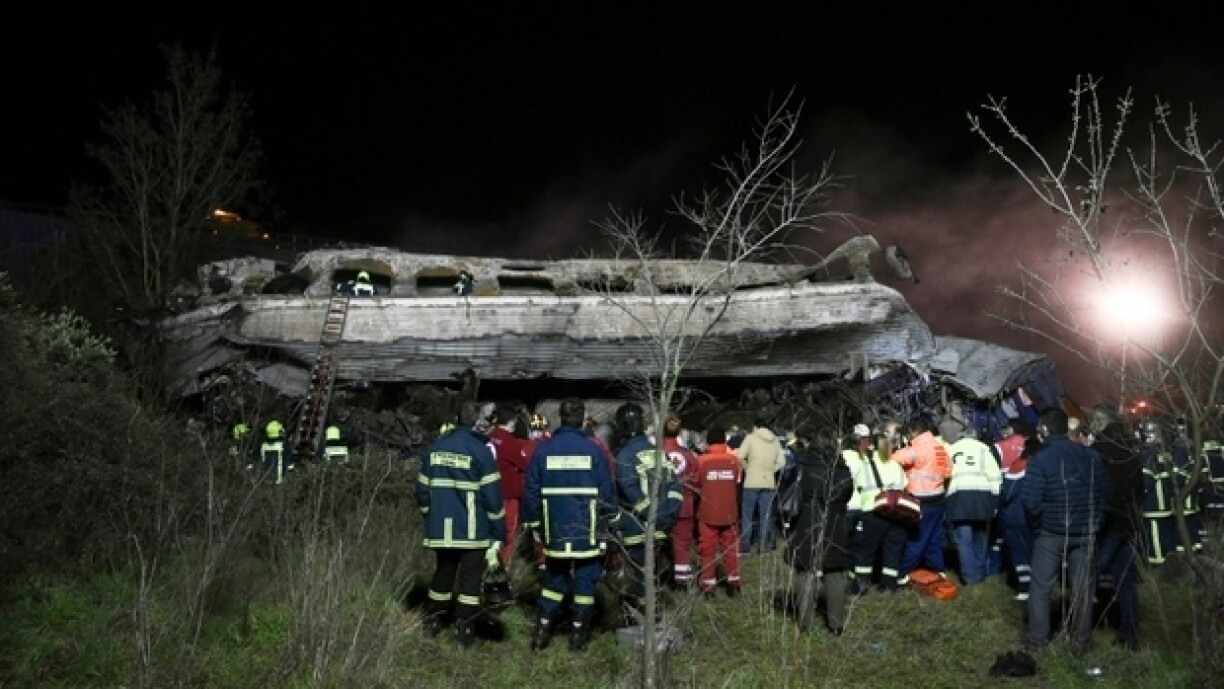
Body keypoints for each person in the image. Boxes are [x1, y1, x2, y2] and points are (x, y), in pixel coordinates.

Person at [522, 397, 618, 652]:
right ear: (582, 417)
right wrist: (611, 521)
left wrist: (534, 524)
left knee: (553, 582)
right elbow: (606, 492)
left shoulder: (544, 449)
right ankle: (578, 639)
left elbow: (531, 490)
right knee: (586, 585)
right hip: (586, 530)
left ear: (560, 418)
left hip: (555, 530)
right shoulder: (593, 450)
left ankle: (541, 634)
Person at [415, 400, 506, 647]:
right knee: (469, 583)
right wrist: (499, 533)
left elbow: (422, 491)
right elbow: (492, 499)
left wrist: (429, 515)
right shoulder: (481, 451)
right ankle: (464, 633)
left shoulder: (435, 448)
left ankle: (433, 622)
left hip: (441, 530)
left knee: (442, 575)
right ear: (477, 421)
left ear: (457, 418)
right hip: (472, 531)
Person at [1022, 407, 1111, 653]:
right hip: (1086, 532)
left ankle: (1037, 642)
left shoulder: (1041, 459)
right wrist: (1097, 521)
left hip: (1051, 532)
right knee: (1083, 588)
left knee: (1041, 588)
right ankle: (1080, 642)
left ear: (1045, 430)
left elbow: (1030, 500)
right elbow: (1105, 493)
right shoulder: (1091, 456)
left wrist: (1039, 525)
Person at [613, 402, 683, 623]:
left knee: (637, 576)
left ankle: (639, 617)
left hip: (636, 527)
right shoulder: (659, 453)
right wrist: (668, 516)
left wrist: (652, 517)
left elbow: (630, 492)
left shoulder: (624, 455)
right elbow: (675, 487)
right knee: (651, 573)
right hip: (660, 527)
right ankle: (652, 612)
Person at [787, 428, 854, 635]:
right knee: (834, 573)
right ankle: (836, 624)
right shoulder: (843, 469)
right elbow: (848, 494)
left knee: (805, 571)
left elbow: (795, 490)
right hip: (835, 522)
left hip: (808, 520)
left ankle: (805, 623)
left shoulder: (805, 467)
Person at [1089, 402, 1143, 650]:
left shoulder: (1099, 449)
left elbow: (1096, 486)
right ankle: (1130, 633)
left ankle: (1079, 631)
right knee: (1125, 579)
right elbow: (1140, 486)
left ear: (1100, 422)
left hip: (1108, 519)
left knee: (1090, 573)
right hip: (1128, 518)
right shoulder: (1130, 447)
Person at [851, 423, 910, 592]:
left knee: (866, 551)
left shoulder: (866, 465)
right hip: (895, 513)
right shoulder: (895, 465)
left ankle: (861, 585)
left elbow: (859, 486)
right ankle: (889, 585)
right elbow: (904, 485)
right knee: (893, 550)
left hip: (873, 511)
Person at [895, 416, 953, 581]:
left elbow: (893, 460)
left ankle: (902, 573)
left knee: (916, 539)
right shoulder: (940, 448)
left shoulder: (917, 448)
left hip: (920, 500)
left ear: (914, 431)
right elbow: (948, 472)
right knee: (934, 539)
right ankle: (938, 570)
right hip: (938, 498)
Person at [945, 425, 1002, 585]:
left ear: (961, 436)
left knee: (964, 539)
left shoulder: (951, 449)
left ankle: (969, 578)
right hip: (982, 496)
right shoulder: (984, 448)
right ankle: (979, 574)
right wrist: (995, 500)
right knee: (980, 536)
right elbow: (995, 476)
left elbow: (945, 474)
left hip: (958, 497)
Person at [693, 426, 743, 598]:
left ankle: (708, 589)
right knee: (730, 550)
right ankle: (734, 585)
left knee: (707, 551)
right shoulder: (734, 461)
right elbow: (737, 482)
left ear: (709, 441)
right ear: (724, 441)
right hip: (730, 512)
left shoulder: (701, 461)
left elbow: (696, 484)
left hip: (707, 513)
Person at [488, 404, 531, 567]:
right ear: (511, 422)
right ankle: (502, 567)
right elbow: (525, 463)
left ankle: (489, 563)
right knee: (507, 532)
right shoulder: (510, 442)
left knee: (490, 531)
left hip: (488, 492)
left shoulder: (489, 437)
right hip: (507, 495)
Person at [737, 418, 786, 555]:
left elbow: (740, 456)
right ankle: (763, 546)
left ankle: (746, 547)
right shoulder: (775, 440)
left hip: (752, 481)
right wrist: (771, 470)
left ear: (755, 426)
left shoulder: (751, 438)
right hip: (769, 482)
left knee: (748, 516)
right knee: (765, 516)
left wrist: (749, 468)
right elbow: (782, 462)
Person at [999, 433, 1038, 601]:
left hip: (1016, 516)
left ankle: (1025, 588)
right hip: (1036, 518)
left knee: (1019, 553)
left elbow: (1007, 493)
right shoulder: (1044, 466)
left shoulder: (1019, 466)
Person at [663, 411, 698, 589]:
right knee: (682, 545)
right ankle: (683, 582)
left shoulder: (657, 452)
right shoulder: (687, 454)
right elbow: (695, 479)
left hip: (662, 507)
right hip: (684, 505)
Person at [261, 419, 291, 484]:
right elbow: (289, 461)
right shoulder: (284, 445)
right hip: (280, 481)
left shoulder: (263, 446)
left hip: (266, 481)